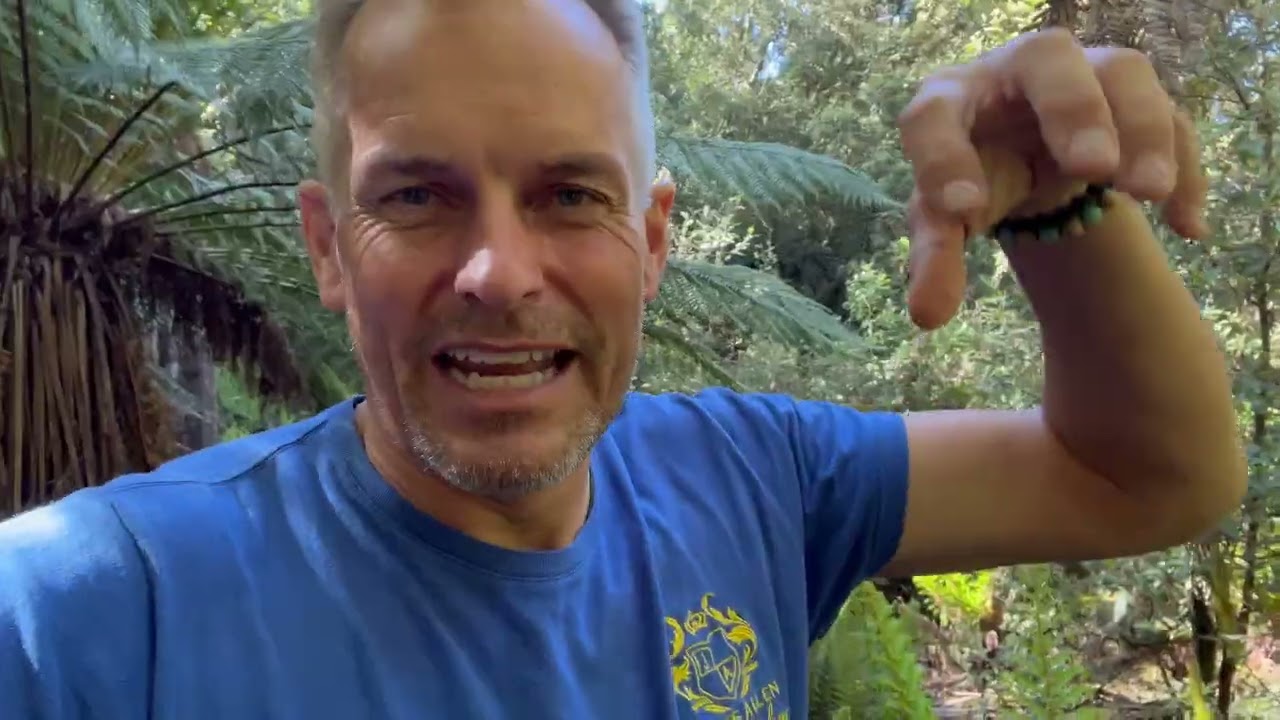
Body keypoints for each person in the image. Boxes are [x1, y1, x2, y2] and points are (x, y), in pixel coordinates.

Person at [0, 0, 1246, 718]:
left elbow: (1146, 478)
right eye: (420, 194)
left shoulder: (758, 482)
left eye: (567, 195)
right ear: (328, 249)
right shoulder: (91, 608)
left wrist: (1055, 219)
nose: (497, 272)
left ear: (650, 241)